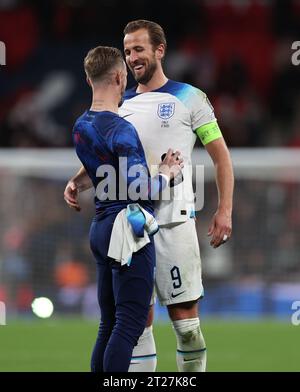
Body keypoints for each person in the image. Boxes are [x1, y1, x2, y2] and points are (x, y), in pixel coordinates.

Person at [64, 20, 234, 372]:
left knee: (187, 328)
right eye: (127, 51)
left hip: (173, 224)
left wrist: (224, 211)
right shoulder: (119, 102)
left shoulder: (190, 97)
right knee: (136, 327)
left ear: (160, 50)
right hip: (133, 227)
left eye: (139, 49)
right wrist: (78, 180)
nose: (132, 58)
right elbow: (109, 153)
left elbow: (221, 157)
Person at [70, 45, 183, 372]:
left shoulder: (81, 125)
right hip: (128, 229)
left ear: (88, 80)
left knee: (108, 324)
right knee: (129, 324)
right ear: (120, 77)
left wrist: (76, 182)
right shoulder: (121, 129)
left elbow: (105, 171)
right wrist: (167, 174)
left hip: (101, 226)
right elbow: (140, 188)